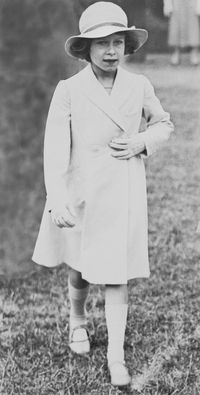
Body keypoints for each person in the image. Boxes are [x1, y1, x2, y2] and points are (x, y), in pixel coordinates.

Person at [33, 1, 174, 387]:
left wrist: (141, 142)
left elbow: (163, 124)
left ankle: (116, 356)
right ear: (86, 48)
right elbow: (55, 147)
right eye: (101, 43)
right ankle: (77, 320)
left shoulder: (139, 85)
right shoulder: (69, 90)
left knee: (117, 274)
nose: (111, 51)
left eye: (117, 42)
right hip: (83, 190)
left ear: (126, 46)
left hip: (123, 190)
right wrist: (57, 197)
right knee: (80, 266)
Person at [163, 0, 200, 65]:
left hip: (192, 3)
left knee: (193, 25)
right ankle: (175, 52)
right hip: (176, 3)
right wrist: (168, 5)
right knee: (175, 25)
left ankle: (194, 52)